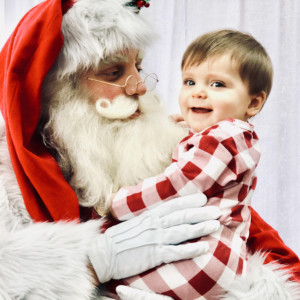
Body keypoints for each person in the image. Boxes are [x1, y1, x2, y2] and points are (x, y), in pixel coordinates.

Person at [0, 0, 299, 299]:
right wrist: (92, 262)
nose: (140, 87)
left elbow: (280, 264)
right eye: (114, 72)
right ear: (57, 88)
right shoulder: (7, 177)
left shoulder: (170, 149)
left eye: (138, 67)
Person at [106, 29, 270, 299]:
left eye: (217, 85)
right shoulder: (229, 137)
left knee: (109, 287)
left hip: (205, 254)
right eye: (190, 82)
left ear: (253, 102)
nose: (199, 93)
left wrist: (119, 203)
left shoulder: (225, 137)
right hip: (218, 257)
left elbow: (182, 185)